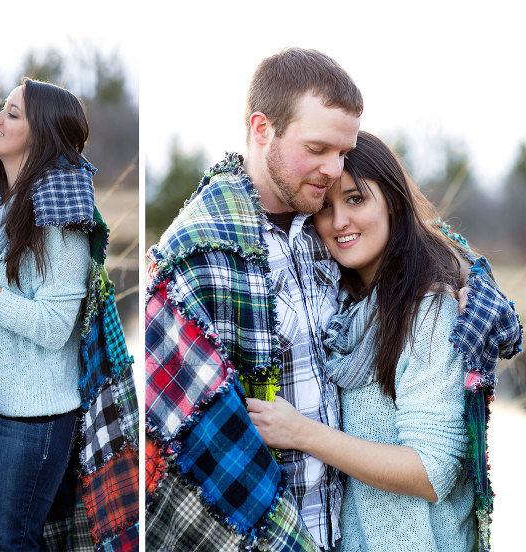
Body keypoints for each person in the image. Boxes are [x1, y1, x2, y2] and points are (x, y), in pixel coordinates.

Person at [247, 131, 522, 551]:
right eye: (326, 207)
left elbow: (431, 472)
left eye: (356, 199)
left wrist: (301, 433)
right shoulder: (338, 304)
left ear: (392, 201)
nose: (340, 221)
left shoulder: (428, 311)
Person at [145, 47, 362, 551]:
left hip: (346, 532)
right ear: (262, 129)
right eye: (318, 148)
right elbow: (195, 448)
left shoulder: (332, 228)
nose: (334, 169)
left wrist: (461, 285)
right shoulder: (198, 253)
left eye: (344, 152)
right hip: (263, 536)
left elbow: (421, 254)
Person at [0, 78, 139, 551]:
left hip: (35, 420)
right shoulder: (2, 199)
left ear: (41, 136)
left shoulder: (60, 219)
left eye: (12, 114)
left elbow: (55, 327)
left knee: (9, 543)